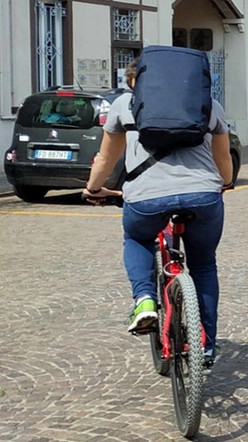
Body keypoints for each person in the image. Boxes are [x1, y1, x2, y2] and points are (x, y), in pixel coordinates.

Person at [83, 60, 234, 369]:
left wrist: (93, 189)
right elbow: (223, 156)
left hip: (145, 199)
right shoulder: (207, 105)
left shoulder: (124, 105)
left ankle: (145, 301)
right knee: (203, 265)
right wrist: (227, 183)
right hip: (203, 197)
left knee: (137, 238)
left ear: (136, 82)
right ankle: (205, 345)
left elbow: (106, 158)